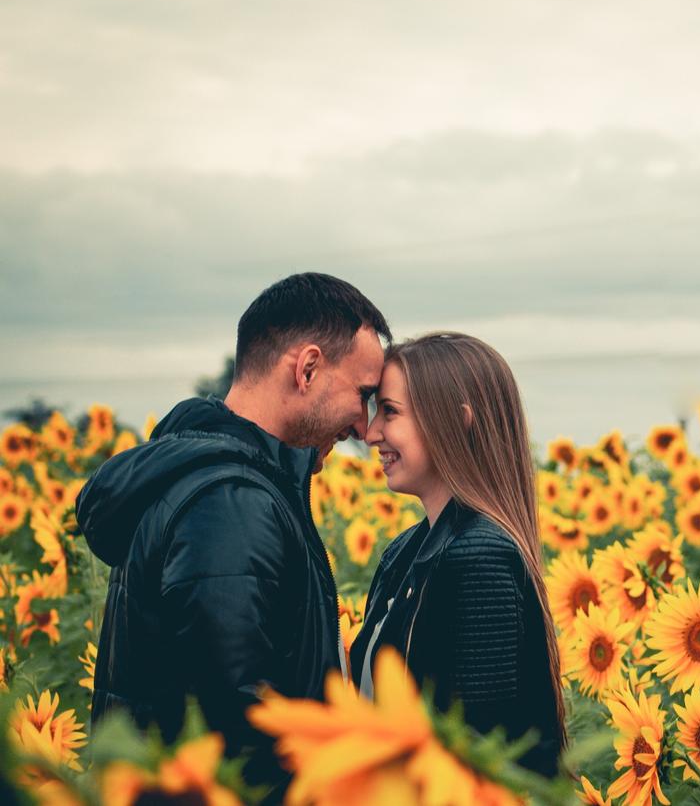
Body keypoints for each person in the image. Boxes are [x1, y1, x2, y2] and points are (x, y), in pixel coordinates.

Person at [76, 272, 390, 791]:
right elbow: (237, 724)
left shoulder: (218, 481)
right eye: (363, 393)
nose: (363, 425)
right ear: (308, 368)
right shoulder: (231, 501)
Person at [349, 332, 566, 779]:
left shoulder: (478, 555)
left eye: (389, 412)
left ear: (456, 419)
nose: (371, 433)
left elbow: (480, 755)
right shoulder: (404, 552)